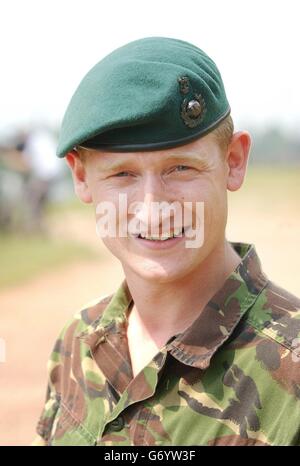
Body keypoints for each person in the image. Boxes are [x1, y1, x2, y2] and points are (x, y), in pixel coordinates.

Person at [32, 37, 300, 446]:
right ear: (81, 178)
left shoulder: (292, 370)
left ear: (233, 162)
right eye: (122, 174)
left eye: (180, 167)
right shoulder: (79, 341)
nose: (153, 207)